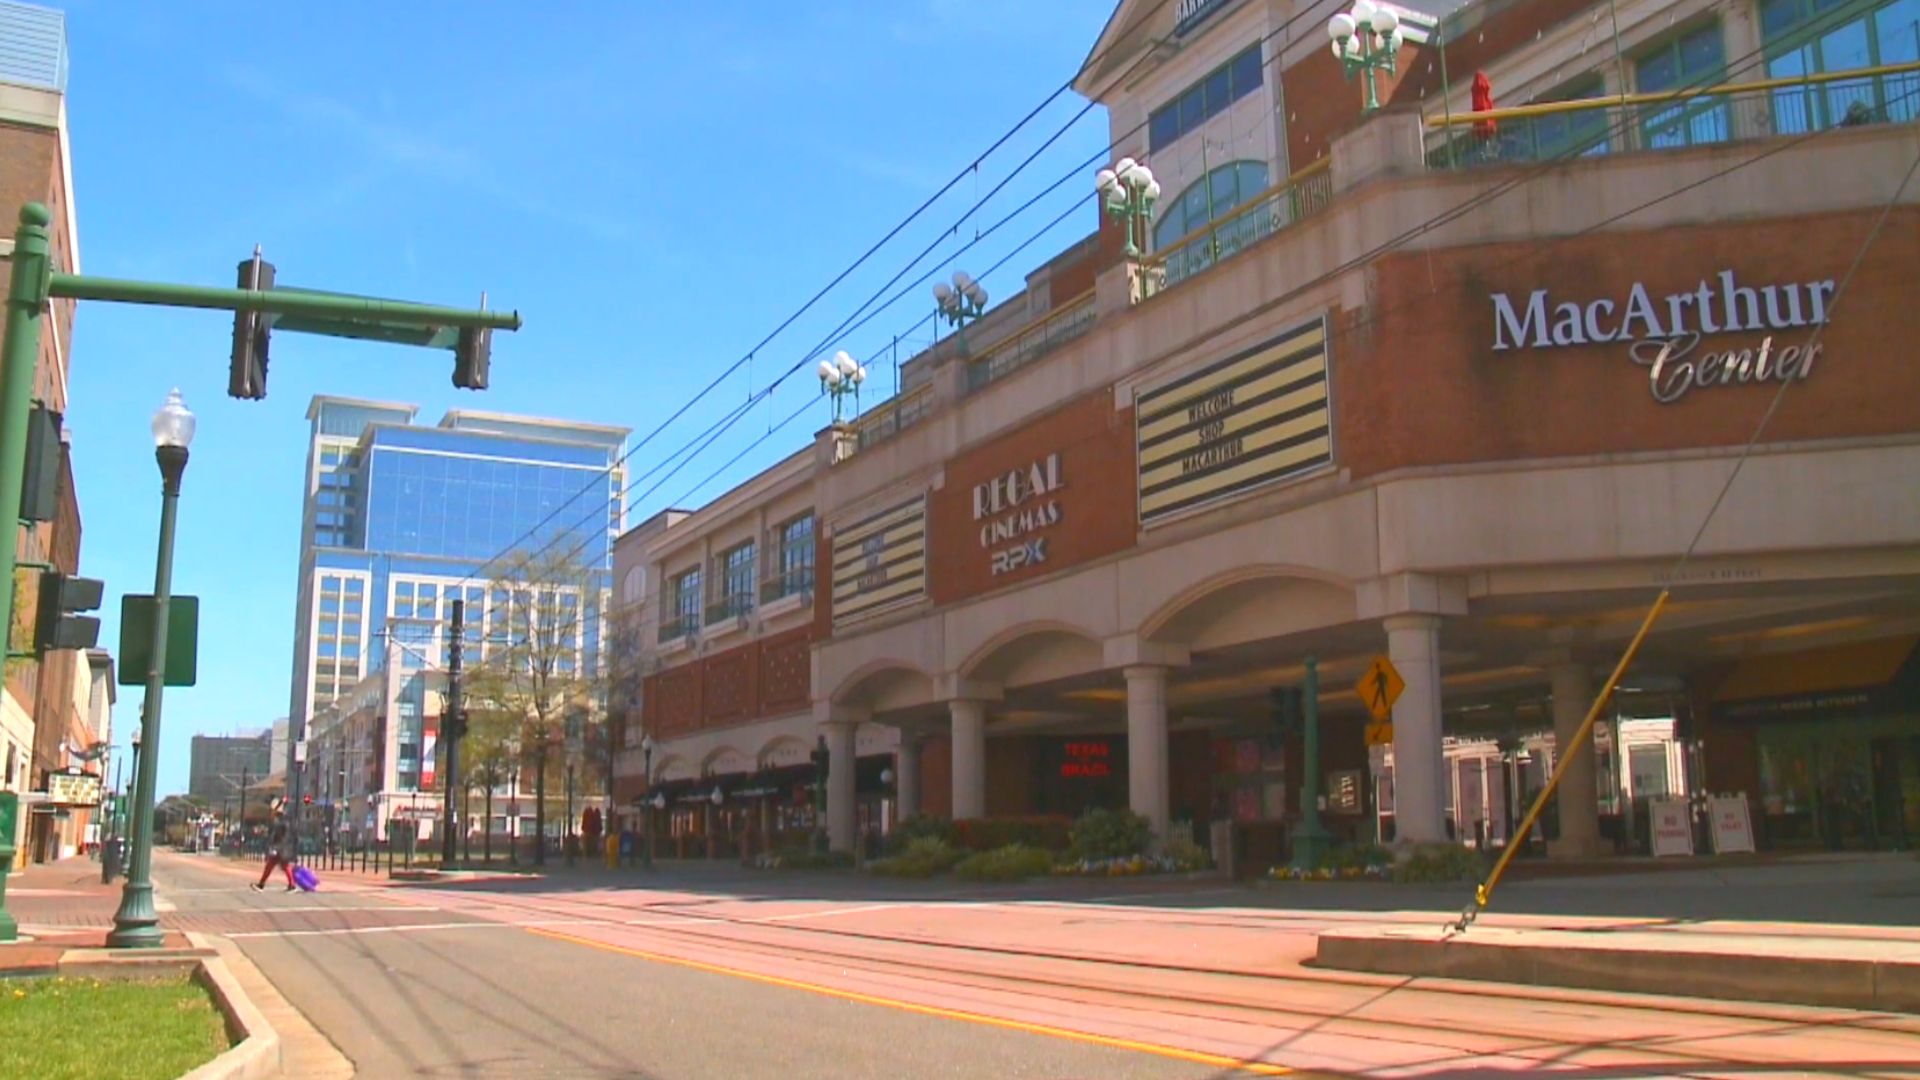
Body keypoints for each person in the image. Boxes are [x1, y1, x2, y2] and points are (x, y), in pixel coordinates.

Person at [252, 805, 298, 892]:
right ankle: (261, 884)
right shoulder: (281, 821)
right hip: (281, 848)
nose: (271, 813)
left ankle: (292, 885)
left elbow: (281, 837)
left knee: (281, 866)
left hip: (281, 848)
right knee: (276, 866)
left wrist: (276, 847)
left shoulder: (281, 822)